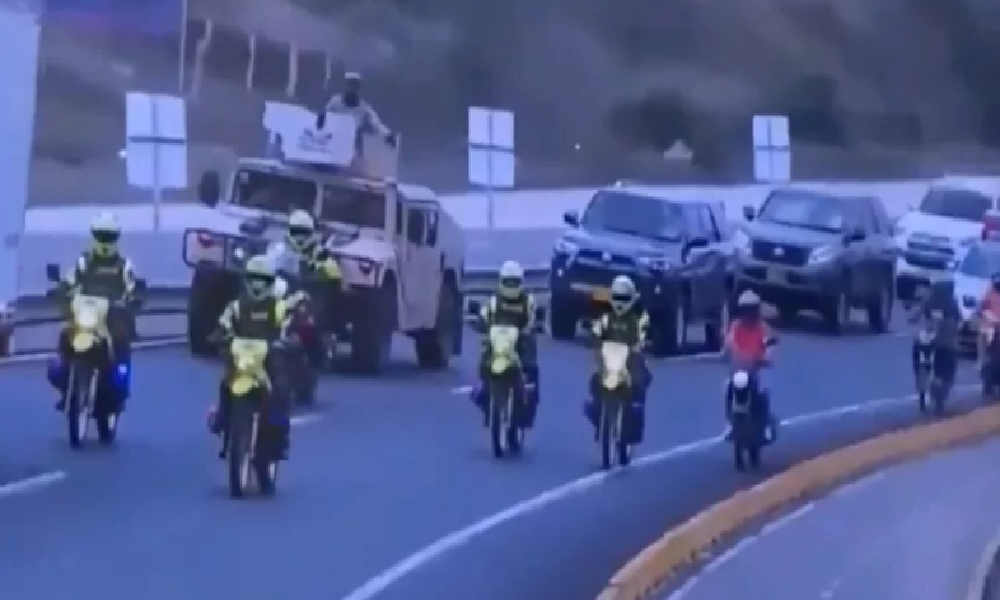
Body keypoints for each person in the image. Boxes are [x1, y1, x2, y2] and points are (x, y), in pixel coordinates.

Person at [48, 211, 139, 413]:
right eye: (101, 235)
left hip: (110, 319)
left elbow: (132, 286)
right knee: (65, 334)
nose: (105, 241)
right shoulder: (84, 263)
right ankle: (65, 383)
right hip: (86, 317)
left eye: (109, 236)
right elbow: (70, 280)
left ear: (116, 238)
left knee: (121, 340)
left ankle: (120, 386)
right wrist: (60, 289)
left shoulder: (124, 266)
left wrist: (134, 297)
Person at [208, 255, 292, 460]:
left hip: (268, 359)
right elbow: (223, 325)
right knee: (225, 383)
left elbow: (288, 327)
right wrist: (219, 337)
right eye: (254, 278)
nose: (257, 284)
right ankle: (222, 418)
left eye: (262, 280)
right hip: (241, 360)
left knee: (280, 390)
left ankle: (280, 435)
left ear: (270, 282)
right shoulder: (236, 307)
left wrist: (287, 340)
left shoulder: (278, 307)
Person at [472, 260, 540, 428]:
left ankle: (528, 406)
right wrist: (480, 323)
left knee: (532, 369)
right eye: (508, 282)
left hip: (520, 344)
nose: (511, 286)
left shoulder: (527, 302)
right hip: (498, 344)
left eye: (514, 282)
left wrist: (531, 328)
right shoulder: (494, 302)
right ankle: (483, 389)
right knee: (484, 358)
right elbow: (483, 315)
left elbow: (533, 319)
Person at [584, 275, 651, 444]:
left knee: (639, 378)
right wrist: (594, 337)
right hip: (610, 358)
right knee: (595, 378)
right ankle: (597, 408)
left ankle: (636, 407)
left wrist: (640, 342)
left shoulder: (639, 317)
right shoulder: (607, 317)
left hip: (630, 357)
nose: (620, 302)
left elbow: (643, 332)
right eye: (617, 298)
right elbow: (596, 330)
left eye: (624, 298)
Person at [275, 209, 344, 361]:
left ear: (311, 232)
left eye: (303, 232)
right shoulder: (278, 249)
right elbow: (266, 266)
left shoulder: (320, 252)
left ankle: (326, 340)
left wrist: (324, 271)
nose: (299, 236)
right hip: (286, 289)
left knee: (318, 316)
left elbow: (333, 275)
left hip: (312, 292)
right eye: (296, 231)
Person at [724, 290, 777, 441]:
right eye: (746, 309)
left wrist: (767, 356)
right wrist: (731, 351)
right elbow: (730, 342)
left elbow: (769, 344)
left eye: (752, 309)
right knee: (727, 388)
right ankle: (729, 423)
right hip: (740, 368)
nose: (749, 313)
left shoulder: (762, 327)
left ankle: (765, 424)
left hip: (757, 370)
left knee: (763, 392)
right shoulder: (736, 326)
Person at [908, 273, 960, 388]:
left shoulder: (951, 303)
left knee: (950, 352)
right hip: (929, 337)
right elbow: (916, 314)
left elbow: (956, 320)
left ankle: (944, 378)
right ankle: (919, 374)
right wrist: (912, 318)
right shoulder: (928, 300)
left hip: (945, 340)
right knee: (917, 345)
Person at [324, 72, 394, 144]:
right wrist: (322, 117)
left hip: (353, 146)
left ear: (358, 88)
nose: (351, 88)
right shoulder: (335, 102)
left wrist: (388, 135)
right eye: (350, 85)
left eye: (354, 86)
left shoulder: (364, 108)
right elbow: (324, 115)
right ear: (346, 86)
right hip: (334, 142)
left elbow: (377, 125)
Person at [978, 272, 1000, 365]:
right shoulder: (989, 293)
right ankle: (981, 359)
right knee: (982, 337)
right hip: (989, 324)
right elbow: (982, 306)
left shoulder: (990, 292)